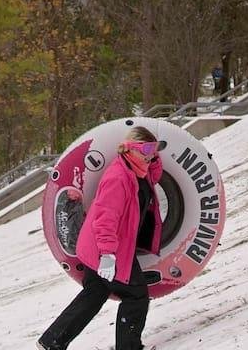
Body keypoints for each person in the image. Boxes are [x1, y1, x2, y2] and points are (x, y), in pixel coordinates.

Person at [39, 127, 164, 350]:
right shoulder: (118, 178)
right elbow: (105, 220)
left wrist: (153, 157)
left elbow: (152, 177)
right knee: (136, 295)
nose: (151, 154)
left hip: (101, 246)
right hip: (105, 248)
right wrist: (108, 255)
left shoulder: (137, 170)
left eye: (154, 149)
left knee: (95, 293)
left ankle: (52, 342)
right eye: (146, 149)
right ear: (131, 149)